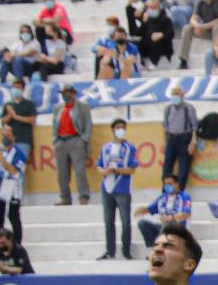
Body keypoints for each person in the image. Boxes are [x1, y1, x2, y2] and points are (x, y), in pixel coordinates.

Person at [97, 118, 139, 260]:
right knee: (108, 221)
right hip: (106, 188)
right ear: (113, 129)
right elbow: (99, 165)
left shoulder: (130, 147)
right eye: (118, 127)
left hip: (122, 188)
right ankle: (110, 251)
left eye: (123, 127)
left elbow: (132, 169)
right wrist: (104, 171)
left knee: (125, 221)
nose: (120, 130)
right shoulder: (105, 148)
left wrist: (117, 170)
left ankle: (126, 250)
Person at [51, 84, 94, 206]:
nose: (66, 95)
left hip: (76, 140)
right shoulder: (58, 108)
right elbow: (55, 125)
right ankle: (65, 197)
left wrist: (84, 140)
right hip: (61, 141)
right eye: (64, 93)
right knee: (62, 173)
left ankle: (83, 196)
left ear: (74, 93)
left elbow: (88, 125)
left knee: (80, 171)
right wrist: (55, 139)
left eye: (69, 92)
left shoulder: (82, 107)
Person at [0, 127, 27, 246]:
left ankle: (17, 245)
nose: (6, 137)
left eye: (8, 135)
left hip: (13, 190)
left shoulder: (19, 152)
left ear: (14, 137)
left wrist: (3, 161)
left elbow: (16, 172)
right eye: (4, 135)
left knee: (13, 217)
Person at [140, 173, 194, 248]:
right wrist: (142, 210)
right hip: (163, 227)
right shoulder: (162, 197)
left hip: (179, 228)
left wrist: (171, 218)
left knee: (169, 224)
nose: (167, 186)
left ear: (177, 184)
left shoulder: (185, 197)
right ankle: (152, 248)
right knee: (142, 223)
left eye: (170, 184)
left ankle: (159, 247)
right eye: (165, 184)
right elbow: (151, 209)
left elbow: (186, 214)